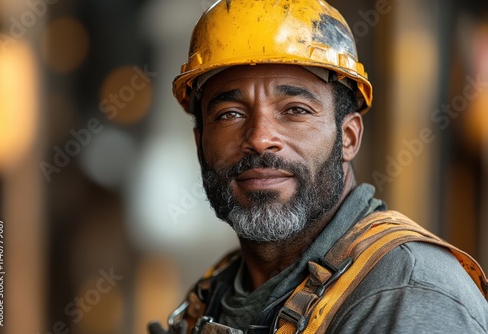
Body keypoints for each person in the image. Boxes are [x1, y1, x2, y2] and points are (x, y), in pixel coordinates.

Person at [149, 0, 488, 333]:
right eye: (230, 114)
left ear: (349, 138)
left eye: (295, 109)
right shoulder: (218, 293)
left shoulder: (408, 296)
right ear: (199, 142)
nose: (260, 138)